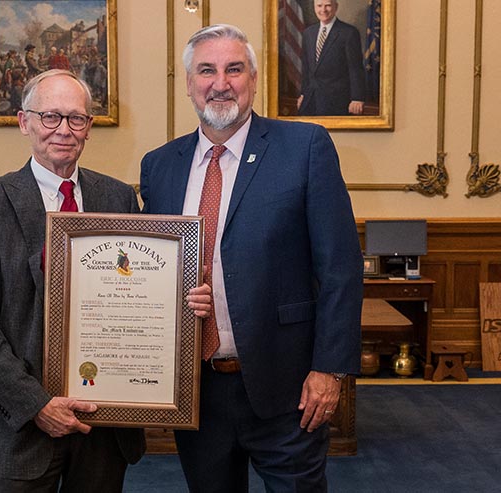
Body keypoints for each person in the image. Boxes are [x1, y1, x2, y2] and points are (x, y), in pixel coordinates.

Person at [140, 24, 363, 492]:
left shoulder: (304, 148)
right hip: (196, 391)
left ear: (253, 79)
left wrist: (330, 369)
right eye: (207, 70)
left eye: (233, 69)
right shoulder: (159, 165)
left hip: (288, 387)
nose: (220, 83)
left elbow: (340, 269)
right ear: (188, 83)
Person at [0, 70, 173, 492]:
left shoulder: (120, 199)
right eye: (50, 117)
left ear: (89, 128)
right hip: (20, 423)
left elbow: (142, 294)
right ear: (24, 122)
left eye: (76, 119)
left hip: (104, 421)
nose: (64, 130)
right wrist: (37, 405)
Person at [297, 0, 366, 116]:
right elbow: (306, 67)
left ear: (336, 7)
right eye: (319, 6)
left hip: (337, 101)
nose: (323, 10)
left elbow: (355, 68)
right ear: (314, 7)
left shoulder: (349, 33)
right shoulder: (308, 33)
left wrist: (357, 98)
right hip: (310, 99)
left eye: (328, 5)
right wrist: (303, 93)